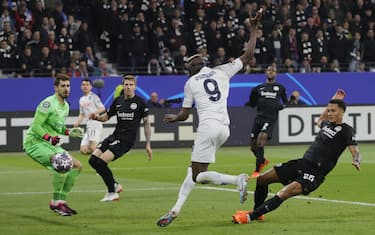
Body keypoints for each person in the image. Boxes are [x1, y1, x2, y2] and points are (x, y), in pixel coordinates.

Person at [156, 9, 263, 227]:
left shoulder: (191, 82)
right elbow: (248, 55)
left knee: (198, 176)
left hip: (207, 127)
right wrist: (253, 29)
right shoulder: (222, 71)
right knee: (192, 170)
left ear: (194, 67)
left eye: (188, 67)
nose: (187, 71)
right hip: (224, 128)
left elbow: (185, 114)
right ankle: (175, 210)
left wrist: (175, 118)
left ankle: (237, 180)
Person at [232, 98, 361, 224]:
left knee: (284, 193)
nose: (329, 113)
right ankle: (258, 211)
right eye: (328, 110)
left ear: (342, 112)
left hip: (314, 174)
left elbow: (355, 150)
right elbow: (319, 121)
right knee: (262, 179)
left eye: (333, 111)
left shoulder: (346, 130)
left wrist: (356, 160)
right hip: (301, 164)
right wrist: (334, 99)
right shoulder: (327, 125)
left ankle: (249, 217)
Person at [23, 73, 84, 216]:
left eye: (68, 86)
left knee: (77, 166)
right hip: (35, 143)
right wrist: (48, 138)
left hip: (50, 145)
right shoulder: (47, 104)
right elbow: (36, 126)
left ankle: (61, 202)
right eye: (62, 86)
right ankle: (55, 203)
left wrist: (69, 132)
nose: (66, 89)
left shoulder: (66, 106)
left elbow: (58, 128)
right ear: (56, 87)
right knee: (61, 163)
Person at [89, 75, 153, 202]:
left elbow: (146, 123)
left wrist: (148, 144)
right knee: (93, 161)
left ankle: (112, 192)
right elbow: (106, 117)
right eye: (126, 84)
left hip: (126, 140)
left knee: (101, 162)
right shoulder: (118, 101)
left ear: (135, 86)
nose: (128, 87)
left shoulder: (140, 103)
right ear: (122, 86)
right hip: (115, 136)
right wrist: (97, 117)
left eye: (131, 84)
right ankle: (115, 185)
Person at [245, 66, 288, 178]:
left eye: (273, 71)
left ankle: (257, 171)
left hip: (270, 118)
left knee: (261, 141)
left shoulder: (280, 88)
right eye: (269, 70)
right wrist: (249, 103)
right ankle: (263, 161)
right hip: (259, 118)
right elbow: (253, 102)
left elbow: (286, 102)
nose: (271, 72)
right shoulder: (258, 88)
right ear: (265, 73)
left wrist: (281, 106)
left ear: (276, 74)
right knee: (253, 147)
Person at [74, 78, 106, 154]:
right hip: (88, 125)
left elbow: (102, 108)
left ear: (91, 87)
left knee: (92, 148)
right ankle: (100, 151)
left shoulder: (94, 97)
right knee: (83, 150)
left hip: (95, 124)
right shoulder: (81, 99)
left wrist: (94, 113)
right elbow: (82, 114)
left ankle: (104, 153)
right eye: (83, 85)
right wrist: (77, 123)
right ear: (81, 87)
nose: (85, 86)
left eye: (87, 85)